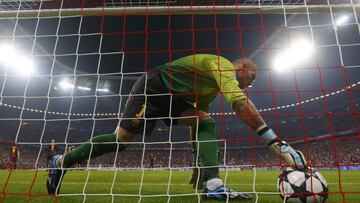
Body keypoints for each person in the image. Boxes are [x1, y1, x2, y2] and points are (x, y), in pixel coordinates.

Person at [46, 54, 307, 200]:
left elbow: (196, 122)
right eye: (252, 78)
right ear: (242, 67)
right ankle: (60, 162)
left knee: (205, 119)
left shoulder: (210, 87)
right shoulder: (223, 66)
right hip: (154, 87)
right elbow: (239, 103)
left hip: (172, 98)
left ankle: (213, 183)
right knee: (121, 141)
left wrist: (198, 161)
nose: (250, 83)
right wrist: (276, 143)